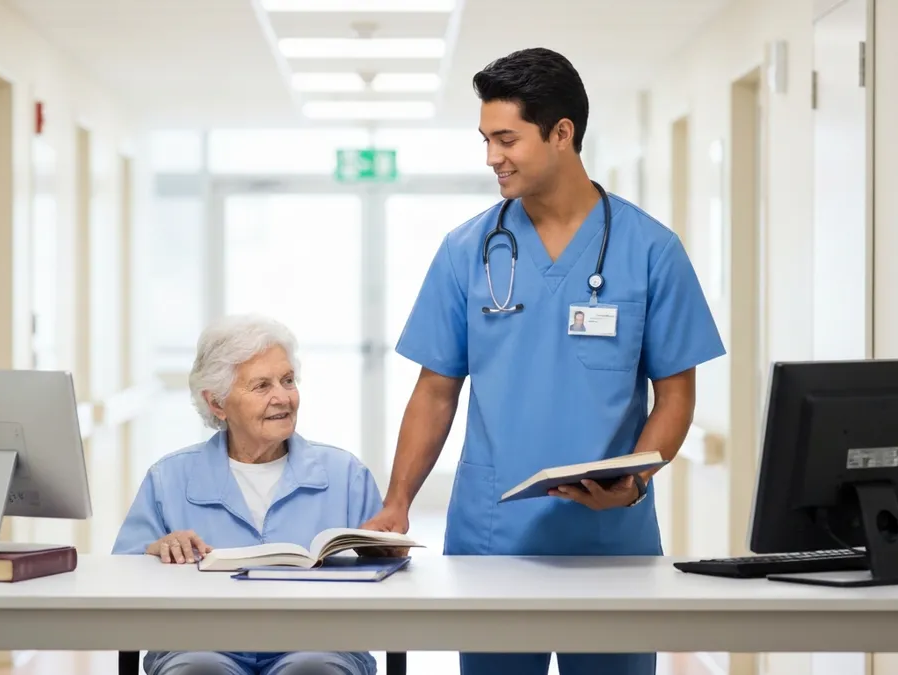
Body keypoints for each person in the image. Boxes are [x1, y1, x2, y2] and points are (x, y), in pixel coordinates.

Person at [361, 47, 725, 675]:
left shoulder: (651, 251)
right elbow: (435, 390)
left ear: (563, 134)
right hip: (493, 542)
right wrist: (398, 501)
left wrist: (635, 482)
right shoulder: (466, 251)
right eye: (484, 139)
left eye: (506, 138)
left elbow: (675, 396)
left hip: (611, 545)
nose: (490, 157)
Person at [112, 314, 381, 675]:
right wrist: (155, 548)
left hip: (317, 643)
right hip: (200, 645)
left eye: (288, 381)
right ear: (217, 404)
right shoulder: (169, 477)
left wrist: (385, 550)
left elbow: (388, 576)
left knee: (314, 668)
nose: (282, 397)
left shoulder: (346, 474)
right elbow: (120, 576)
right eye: (262, 386)